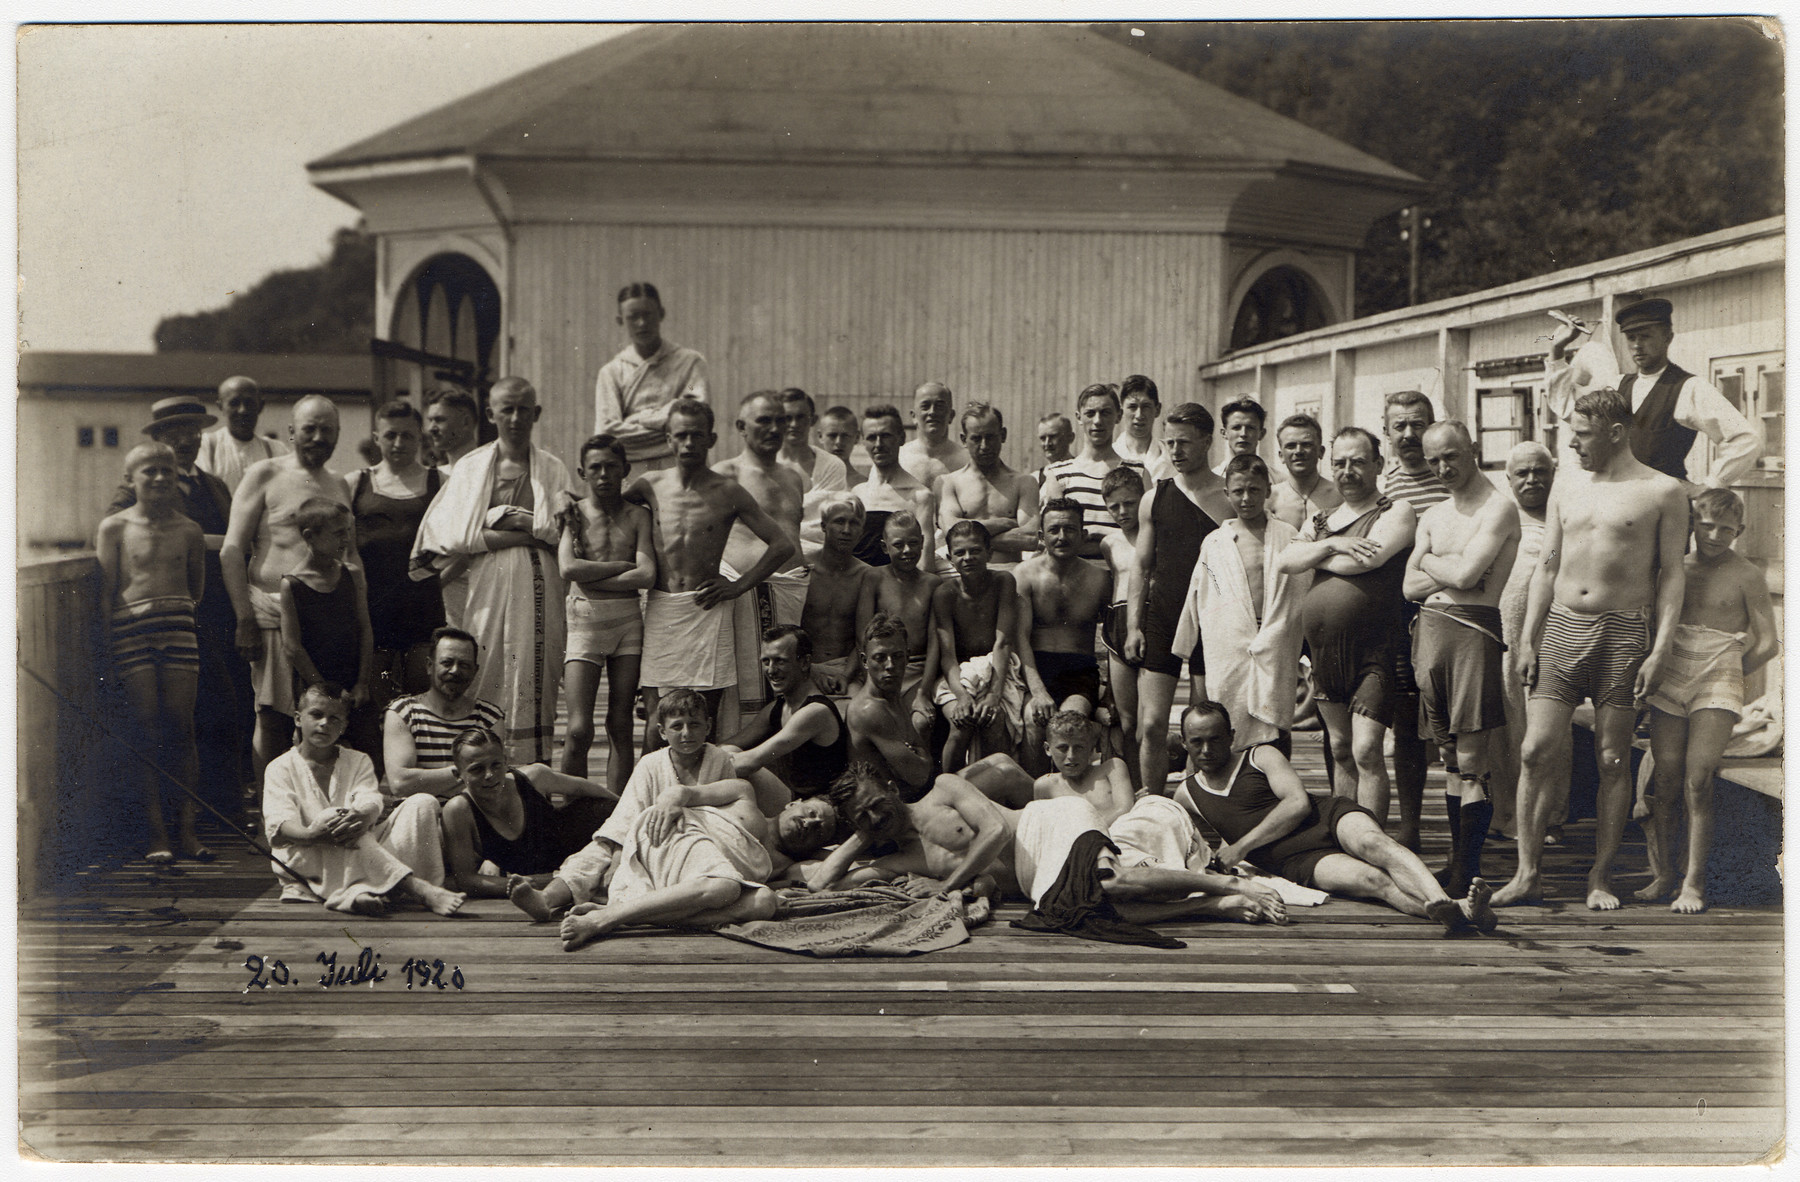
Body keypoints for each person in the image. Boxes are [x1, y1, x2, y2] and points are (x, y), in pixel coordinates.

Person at [1493, 389, 1690, 910]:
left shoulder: (1663, 491)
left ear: (1616, 432)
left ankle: (1599, 877)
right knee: (1535, 751)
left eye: (1581, 434)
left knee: (1610, 758)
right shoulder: (1566, 485)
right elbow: (1548, 565)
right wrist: (1528, 639)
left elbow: (1672, 576)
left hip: (1623, 634)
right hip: (1561, 628)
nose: (1573, 445)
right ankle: (1526, 873)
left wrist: (1660, 649)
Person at [508, 688, 837, 926]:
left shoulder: (719, 760)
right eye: (677, 727)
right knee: (591, 859)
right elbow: (628, 815)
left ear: (708, 727)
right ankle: (546, 901)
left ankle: (620, 908)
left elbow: (723, 817)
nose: (686, 734)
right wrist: (620, 857)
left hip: (693, 845)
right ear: (662, 732)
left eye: (695, 725)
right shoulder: (651, 764)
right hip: (639, 834)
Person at [1174, 701, 1494, 933]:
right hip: (1297, 860)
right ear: (1184, 743)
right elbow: (1191, 849)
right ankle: (1462, 911)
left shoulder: (1260, 756)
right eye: (1197, 742)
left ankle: (1440, 898)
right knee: (1374, 881)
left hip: (1325, 818)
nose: (1206, 750)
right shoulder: (1186, 795)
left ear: (1230, 736)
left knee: (1374, 844)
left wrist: (1240, 848)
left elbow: (1297, 804)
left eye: (1214, 739)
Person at [409, 377, 575, 765]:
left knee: (535, 677)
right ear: (491, 414)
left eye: (523, 410)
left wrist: (512, 524)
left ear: (535, 414)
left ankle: (531, 779)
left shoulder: (552, 469)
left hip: (542, 587)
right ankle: (479, 772)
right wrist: (526, 533)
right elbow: (456, 536)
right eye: (507, 409)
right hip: (487, 586)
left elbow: (562, 533)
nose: (515, 418)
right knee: (485, 665)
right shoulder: (471, 468)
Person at [106, 397, 253, 820]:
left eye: (194, 431)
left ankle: (223, 809)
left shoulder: (215, 486)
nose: (187, 440)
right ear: (158, 440)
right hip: (166, 617)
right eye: (175, 433)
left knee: (227, 708)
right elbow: (120, 528)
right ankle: (179, 817)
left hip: (217, 612)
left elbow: (237, 543)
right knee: (177, 720)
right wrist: (209, 542)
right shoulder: (136, 487)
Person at [1637, 488, 1778, 914]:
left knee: (1697, 779)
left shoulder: (1746, 574)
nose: (1715, 535)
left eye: (1726, 529)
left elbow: (1768, 643)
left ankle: (1693, 882)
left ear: (1741, 531)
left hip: (1719, 673)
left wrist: (1731, 671)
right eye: (1706, 524)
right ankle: (1664, 874)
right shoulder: (1674, 569)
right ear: (1692, 522)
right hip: (1673, 669)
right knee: (1664, 776)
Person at [629, 398, 797, 739]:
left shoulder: (728, 491)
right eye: (681, 435)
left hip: (708, 612)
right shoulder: (650, 484)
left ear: (711, 440)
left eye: (696, 435)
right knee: (655, 724)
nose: (689, 443)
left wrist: (739, 586)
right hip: (663, 608)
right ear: (668, 439)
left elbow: (782, 545)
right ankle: (649, 793)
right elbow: (604, 511)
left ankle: (705, 792)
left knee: (703, 720)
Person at [1402, 422, 1520, 897]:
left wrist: (1429, 562)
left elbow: (1473, 575)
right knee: (1448, 757)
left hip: (1474, 632)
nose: (1443, 468)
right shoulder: (1432, 513)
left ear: (1473, 450)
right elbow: (1408, 587)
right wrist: (1442, 567)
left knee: (1472, 757)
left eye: (1451, 456)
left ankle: (1469, 868)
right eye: (1433, 461)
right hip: (1430, 634)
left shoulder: (1499, 507)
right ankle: (1456, 865)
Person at [1281, 427, 1417, 824]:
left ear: (1379, 464)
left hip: (1375, 651)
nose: (1347, 471)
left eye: (1358, 461)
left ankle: (1372, 841)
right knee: (1340, 747)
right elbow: (1285, 561)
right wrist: (1333, 544)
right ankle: (1348, 837)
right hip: (1325, 654)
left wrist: (1314, 552)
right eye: (1339, 463)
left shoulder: (1396, 511)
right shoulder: (1323, 519)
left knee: (1366, 751)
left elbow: (1368, 560)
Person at [221, 394, 354, 781]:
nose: (317, 437)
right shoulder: (265, 474)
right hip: (273, 614)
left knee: (325, 719)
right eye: (309, 429)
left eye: (326, 430)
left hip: (328, 618)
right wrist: (244, 617)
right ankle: (269, 825)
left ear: (337, 436)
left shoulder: (340, 485)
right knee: (274, 720)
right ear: (292, 433)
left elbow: (352, 558)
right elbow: (231, 550)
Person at [263, 682, 463, 916]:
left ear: (344, 726)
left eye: (334, 718)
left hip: (357, 846)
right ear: (298, 718)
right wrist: (312, 835)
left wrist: (363, 815)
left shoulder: (358, 760)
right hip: (306, 854)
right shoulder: (279, 767)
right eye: (316, 715)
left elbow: (369, 799)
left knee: (424, 802)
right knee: (331, 817)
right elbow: (280, 824)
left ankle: (360, 891)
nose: (324, 723)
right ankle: (417, 888)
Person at [98, 441, 207, 863]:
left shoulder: (189, 530)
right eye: (149, 471)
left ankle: (187, 830)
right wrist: (108, 645)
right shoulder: (115, 528)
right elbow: (107, 593)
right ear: (130, 479)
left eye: (167, 470)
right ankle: (156, 833)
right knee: (145, 728)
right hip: (131, 632)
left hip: (179, 629)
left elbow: (195, 588)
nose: (160, 477)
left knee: (182, 728)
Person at [1126, 402, 1231, 794]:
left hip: (1212, 619)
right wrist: (1134, 627)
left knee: (1204, 722)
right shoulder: (1155, 496)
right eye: (1169, 443)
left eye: (1184, 443)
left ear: (1206, 441)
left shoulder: (1228, 497)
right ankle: (1154, 803)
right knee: (1151, 724)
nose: (1175, 451)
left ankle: (1195, 802)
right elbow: (1141, 566)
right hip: (1164, 615)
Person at [1173, 455, 1307, 755]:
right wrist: (1186, 641)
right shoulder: (1215, 542)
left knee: (1275, 716)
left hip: (1274, 636)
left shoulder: (1288, 536)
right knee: (1228, 713)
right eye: (1238, 491)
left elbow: (1303, 587)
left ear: (1268, 490)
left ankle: (1274, 785)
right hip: (1229, 640)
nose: (1246, 498)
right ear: (1226, 493)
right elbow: (1201, 591)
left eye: (1254, 490)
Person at [844, 613, 1034, 805]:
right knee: (1007, 775)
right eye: (880, 658)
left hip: (919, 795)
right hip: (903, 809)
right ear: (865, 661)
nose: (890, 665)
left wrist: (916, 752)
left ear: (908, 656)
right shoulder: (869, 709)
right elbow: (920, 775)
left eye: (897, 656)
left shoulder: (889, 695)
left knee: (1001, 761)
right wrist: (917, 751)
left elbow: (921, 763)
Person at [557, 434, 655, 788]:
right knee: (580, 728)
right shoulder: (573, 513)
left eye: (611, 467)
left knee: (621, 722)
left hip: (627, 621)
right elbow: (568, 569)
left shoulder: (638, 516)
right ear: (582, 472)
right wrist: (619, 566)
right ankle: (571, 810)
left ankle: (616, 811)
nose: (603, 474)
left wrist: (594, 576)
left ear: (625, 470)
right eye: (595, 467)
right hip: (585, 620)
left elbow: (645, 573)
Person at [1378, 390, 1451, 851]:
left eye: (1418, 424)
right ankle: (1404, 825)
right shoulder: (1379, 486)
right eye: (1399, 426)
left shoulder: (1451, 481)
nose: (1408, 434)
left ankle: (1463, 827)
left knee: (1448, 726)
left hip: (1444, 612)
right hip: (1393, 616)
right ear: (1386, 432)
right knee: (1401, 722)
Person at [716, 392, 812, 725]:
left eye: (780, 420)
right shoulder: (724, 474)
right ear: (742, 426)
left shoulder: (793, 477)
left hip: (791, 596)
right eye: (764, 420)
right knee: (748, 694)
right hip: (745, 595)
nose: (775, 428)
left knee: (790, 691)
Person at [438, 725, 618, 897]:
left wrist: (630, 808)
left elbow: (589, 789)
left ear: (506, 761)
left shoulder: (533, 777)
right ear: (457, 775)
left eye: (496, 765)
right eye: (477, 769)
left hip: (586, 843)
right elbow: (467, 880)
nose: (489, 775)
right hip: (563, 873)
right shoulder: (459, 811)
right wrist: (522, 885)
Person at [1606, 297, 1760, 488]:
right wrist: (1558, 354)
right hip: (1619, 501)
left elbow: (1746, 439)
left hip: (1665, 508)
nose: (1637, 345)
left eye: (1645, 336)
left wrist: (1711, 485)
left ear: (1667, 337)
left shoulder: (1689, 387)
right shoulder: (1617, 386)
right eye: (1631, 338)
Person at [351, 400, 444, 704]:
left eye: (408, 435)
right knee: (373, 704)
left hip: (424, 615)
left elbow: (459, 548)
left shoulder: (442, 482)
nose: (399, 443)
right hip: (371, 617)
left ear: (421, 438)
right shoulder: (355, 484)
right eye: (390, 435)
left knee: (422, 702)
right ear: (377, 438)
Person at [1015, 498, 1112, 774]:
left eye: (1070, 530)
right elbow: (1019, 638)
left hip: (1079, 672)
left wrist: (1109, 696)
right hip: (1037, 669)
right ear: (1040, 536)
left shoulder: (1099, 579)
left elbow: (1113, 640)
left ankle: (1070, 798)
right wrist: (1037, 690)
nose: (1061, 537)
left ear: (1082, 535)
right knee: (1034, 721)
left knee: (1070, 726)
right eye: (1054, 530)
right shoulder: (1025, 575)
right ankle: (1037, 794)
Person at [278, 498, 378, 762]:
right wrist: (326, 693)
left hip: (354, 682)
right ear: (310, 536)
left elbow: (365, 628)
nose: (346, 539)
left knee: (367, 753)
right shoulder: (292, 585)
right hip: (315, 684)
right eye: (338, 533)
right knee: (316, 755)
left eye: (348, 531)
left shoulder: (352, 574)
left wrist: (362, 683)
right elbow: (292, 647)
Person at [1492, 442, 1558, 843]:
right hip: (1505, 634)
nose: (1532, 479)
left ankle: (1547, 817)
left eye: (1540, 471)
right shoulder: (1501, 517)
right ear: (1509, 479)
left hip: (1554, 635)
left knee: (1548, 728)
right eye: (1523, 473)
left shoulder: (1564, 515)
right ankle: (1507, 814)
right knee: (1507, 723)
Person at [933, 521, 1024, 769]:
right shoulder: (945, 594)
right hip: (959, 676)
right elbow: (948, 656)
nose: (968, 558)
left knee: (994, 720)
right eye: (960, 553)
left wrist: (994, 695)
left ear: (989, 552)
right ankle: (948, 786)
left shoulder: (1003, 582)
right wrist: (962, 697)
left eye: (975, 550)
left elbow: (1003, 642)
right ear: (950, 557)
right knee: (961, 723)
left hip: (996, 670)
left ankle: (996, 792)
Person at [722, 625, 851, 799]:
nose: (771, 670)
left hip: (821, 811)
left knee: (738, 771)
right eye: (766, 661)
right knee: (729, 751)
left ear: (805, 663)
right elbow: (729, 746)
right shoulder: (778, 707)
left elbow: (749, 763)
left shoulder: (816, 712)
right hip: (795, 802)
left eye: (780, 661)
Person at [593, 281, 709, 469]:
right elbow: (607, 433)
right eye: (633, 317)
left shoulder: (690, 364)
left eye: (648, 315)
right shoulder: (612, 372)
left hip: (682, 467)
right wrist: (669, 426)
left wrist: (639, 418)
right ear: (620, 320)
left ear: (661, 314)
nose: (642, 323)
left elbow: (693, 416)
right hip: (631, 470)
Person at [385, 627, 508, 798]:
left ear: (475, 671)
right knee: (423, 802)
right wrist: (471, 771)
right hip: (422, 818)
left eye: (464, 665)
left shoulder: (490, 718)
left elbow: (493, 782)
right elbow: (400, 784)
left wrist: (428, 781)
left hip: (471, 816)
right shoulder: (403, 713)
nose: (455, 671)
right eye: (447, 663)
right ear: (430, 666)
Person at [1042, 384, 1147, 549]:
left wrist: (1101, 533)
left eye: (1105, 413)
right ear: (1078, 417)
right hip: (1077, 572)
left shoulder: (1137, 471)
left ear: (1118, 416)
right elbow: (1057, 538)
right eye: (1090, 414)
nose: (1098, 421)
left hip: (1123, 569)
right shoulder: (1059, 474)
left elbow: (1148, 532)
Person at [937, 403, 1040, 567]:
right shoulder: (949, 483)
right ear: (964, 440)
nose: (984, 446)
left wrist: (968, 539)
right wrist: (1005, 523)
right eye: (976, 438)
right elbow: (951, 532)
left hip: (1009, 573)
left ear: (1003, 435)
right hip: (962, 576)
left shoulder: (1024, 482)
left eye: (990, 437)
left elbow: (1030, 538)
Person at [869, 511, 942, 736]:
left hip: (919, 671)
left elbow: (934, 643)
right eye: (898, 545)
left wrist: (923, 691)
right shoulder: (873, 578)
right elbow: (864, 634)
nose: (907, 551)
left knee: (920, 723)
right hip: (880, 668)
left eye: (913, 543)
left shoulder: (933, 584)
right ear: (885, 547)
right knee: (871, 719)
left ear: (922, 542)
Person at [1098, 466, 1146, 791]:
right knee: (1127, 720)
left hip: (1148, 622)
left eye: (1129, 503)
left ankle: (1153, 787)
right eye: (1115, 506)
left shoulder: (1155, 535)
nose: (1123, 511)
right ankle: (1133, 787)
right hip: (1117, 622)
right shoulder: (1109, 542)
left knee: (1149, 722)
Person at [841, 404, 936, 568]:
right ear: (863, 441)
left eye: (885, 436)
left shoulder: (920, 496)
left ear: (901, 438)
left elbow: (925, 565)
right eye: (871, 437)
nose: (878, 444)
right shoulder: (858, 493)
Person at [802, 495, 878, 692]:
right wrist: (808, 669)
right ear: (823, 526)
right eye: (839, 521)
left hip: (848, 669)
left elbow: (864, 638)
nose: (846, 530)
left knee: (858, 713)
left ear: (862, 530)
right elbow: (788, 626)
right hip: (803, 667)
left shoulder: (866, 576)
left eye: (854, 523)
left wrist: (845, 676)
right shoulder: (804, 568)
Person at [196, 375, 289, 495]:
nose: (242, 410)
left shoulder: (276, 450)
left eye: (249, 403)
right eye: (234, 403)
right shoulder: (205, 445)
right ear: (221, 406)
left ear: (260, 406)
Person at [1266, 413, 1343, 529]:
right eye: (1291, 446)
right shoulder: (1269, 497)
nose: (1298, 451)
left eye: (1306, 445)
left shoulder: (1339, 496)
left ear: (1321, 452)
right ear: (1281, 456)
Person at [778, 388, 851, 496]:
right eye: (787, 418)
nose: (794, 424)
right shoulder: (763, 463)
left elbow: (829, 508)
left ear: (813, 420)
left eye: (800, 417)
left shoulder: (832, 465)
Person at [898, 381, 970, 490]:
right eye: (925, 406)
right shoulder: (899, 458)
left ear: (951, 415)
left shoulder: (967, 461)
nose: (932, 412)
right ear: (913, 416)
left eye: (940, 406)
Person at [1113, 374, 1174, 482]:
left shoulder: (1170, 456)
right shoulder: (1112, 454)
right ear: (1121, 411)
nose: (1139, 415)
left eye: (1146, 406)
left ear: (1157, 409)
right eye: (1132, 407)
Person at [423, 387, 481, 473]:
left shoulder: (487, 469)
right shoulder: (437, 476)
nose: (430, 428)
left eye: (439, 420)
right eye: (430, 420)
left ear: (466, 422)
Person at [1213, 397, 1274, 477]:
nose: (1243, 434)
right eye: (1236, 427)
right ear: (1224, 433)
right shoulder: (1213, 478)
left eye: (1250, 428)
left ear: (1261, 434)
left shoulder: (1278, 480)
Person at [816, 405, 863, 484]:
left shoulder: (864, 485)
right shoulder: (809, 481)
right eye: (832, 436)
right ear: (820, 436)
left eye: (845, 436)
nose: (838, 442)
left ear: (857, 437)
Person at [1029, 412, 1076, 489]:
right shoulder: (1035, 480)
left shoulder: (1082, 471)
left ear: (1070, 437)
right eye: (1043, 438)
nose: (1047, 443)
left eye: (1053, 437)